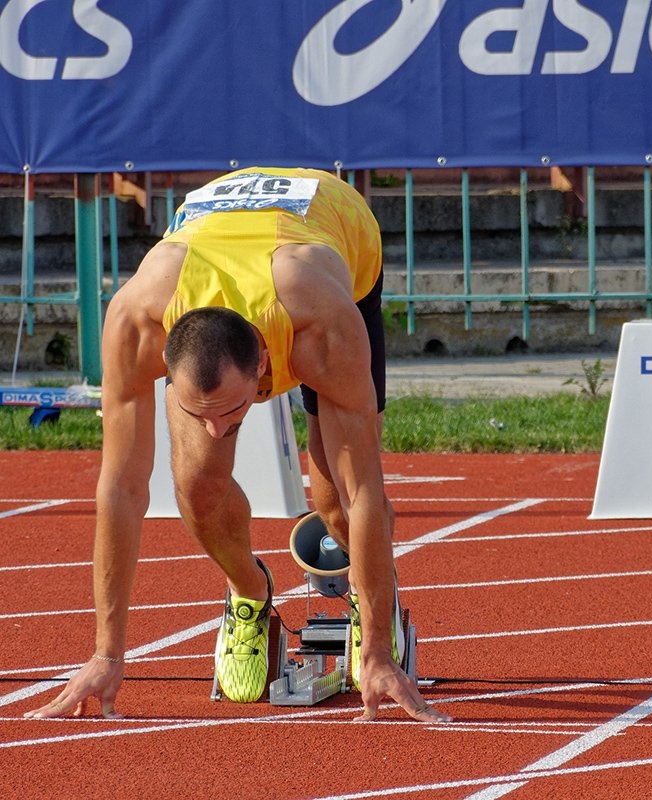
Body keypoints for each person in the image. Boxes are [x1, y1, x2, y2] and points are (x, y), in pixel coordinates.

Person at [25, 167, 449, 722]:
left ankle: (372, 609)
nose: (216, 430)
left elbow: (364, 489)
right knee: (197, 483)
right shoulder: (136, 320)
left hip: (328, 229)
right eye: (197, 413)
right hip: (212, 235)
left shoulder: (323, 326)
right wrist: (107, 653)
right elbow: (121, 489)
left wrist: (377, 655)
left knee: (335, 506)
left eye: (231, 412)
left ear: (267, 367)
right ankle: (250, 591)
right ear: (166, 359)